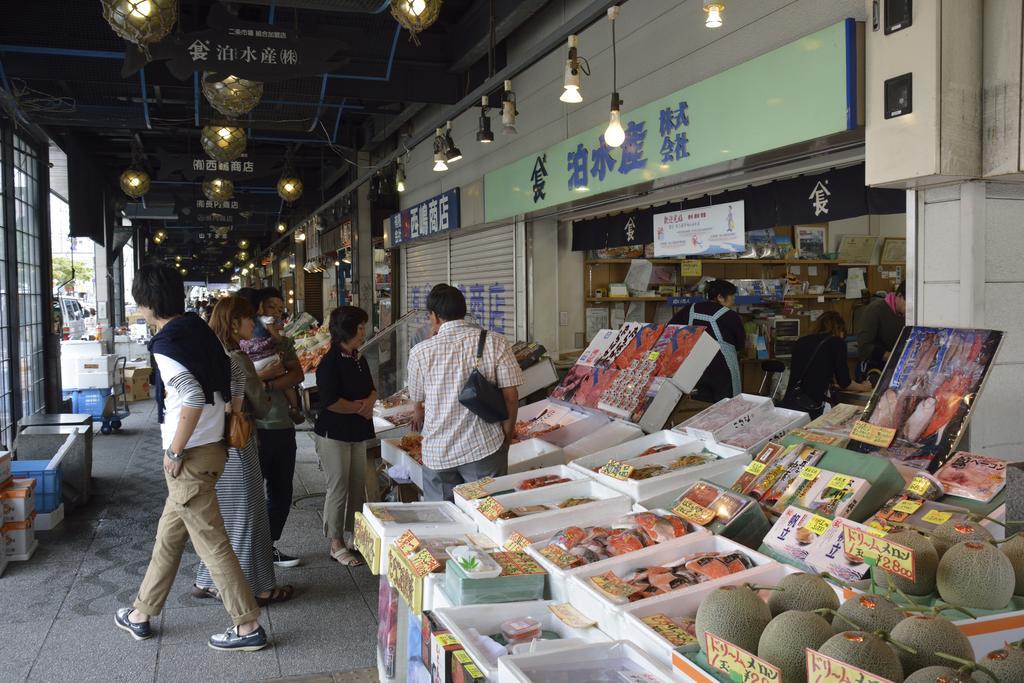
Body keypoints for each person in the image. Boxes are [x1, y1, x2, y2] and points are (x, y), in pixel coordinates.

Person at [115, 264, 268, 652]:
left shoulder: (166, 344)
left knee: (212, 542)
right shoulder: (200, 329)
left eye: (140, 306)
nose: (140, 313)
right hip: (215, 446)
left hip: (191, 456)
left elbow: (192, 397)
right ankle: (141, 613)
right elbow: (233, 374)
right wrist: (232, 413)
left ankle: (247, 625)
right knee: (169, 536)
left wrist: (174, 449)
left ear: (149, 304)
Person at [193, 296, 294, 606]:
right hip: (241, 441)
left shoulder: (210, 353)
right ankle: (260, 588)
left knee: (228, 514)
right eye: (250, 319)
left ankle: (207, 579)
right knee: (250, 515)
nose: (255, 324)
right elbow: (261, 406)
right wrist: (265, 383)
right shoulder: (237, 358)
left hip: (216, 441)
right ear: (234, 323)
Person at [408, 285, 523, 502]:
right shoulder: (495, 341)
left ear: (434, 316)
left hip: (438, 454)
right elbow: (511, 397)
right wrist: (505, 439)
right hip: (483, 447)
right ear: (463, 310)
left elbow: (417, 400)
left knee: (445, 523)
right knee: (487, 516)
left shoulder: (420, 352)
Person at [313, 306, 376, 565]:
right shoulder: (329, 363)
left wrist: (368, 402)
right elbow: (329, 401)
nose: (364, 332)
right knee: (338, 487)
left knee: (357, 485)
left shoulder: (358, 358)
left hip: (358, 430)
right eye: (360, 327)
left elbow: (372, 389)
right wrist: (361, 408)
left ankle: (354, 536)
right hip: (334, 433)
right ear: (347, 330)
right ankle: (335, 541)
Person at [251, 287, 305, 568]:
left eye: (279, 308)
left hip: (282, 425)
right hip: (254, 429)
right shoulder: (237, 345)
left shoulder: (283, 343)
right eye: (270, 307)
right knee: (251, 493)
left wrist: (269, 383)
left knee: (282, 491)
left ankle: (268, 545)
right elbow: (240, 384)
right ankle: (250, 550)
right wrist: (264, 377)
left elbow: (297, 373)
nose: (276, 313)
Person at [668, 279, 746, 403]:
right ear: (720, 297)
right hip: (723, 369)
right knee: (726, 408)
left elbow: (671, 332)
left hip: (694, 368)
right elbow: (740, 343)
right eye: (732, 295)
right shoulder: (730, 315)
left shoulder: (689, 310)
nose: (734, 299)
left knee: (698, 407)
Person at [784, 312, 872, 419]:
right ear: (841, 330)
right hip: (812, 406)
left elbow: (811, 374)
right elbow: (845, 382)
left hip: (790, 404)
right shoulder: (837, 342)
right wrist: (864, 387)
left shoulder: (801, 341)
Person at [855, 280, 906, 383]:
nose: (912, 308)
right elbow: (864, 347)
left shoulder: (910, 315)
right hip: (876, 370)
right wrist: (894, 357)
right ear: (899, 296)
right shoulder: (875, 310)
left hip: (899, 370)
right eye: (910, 303)